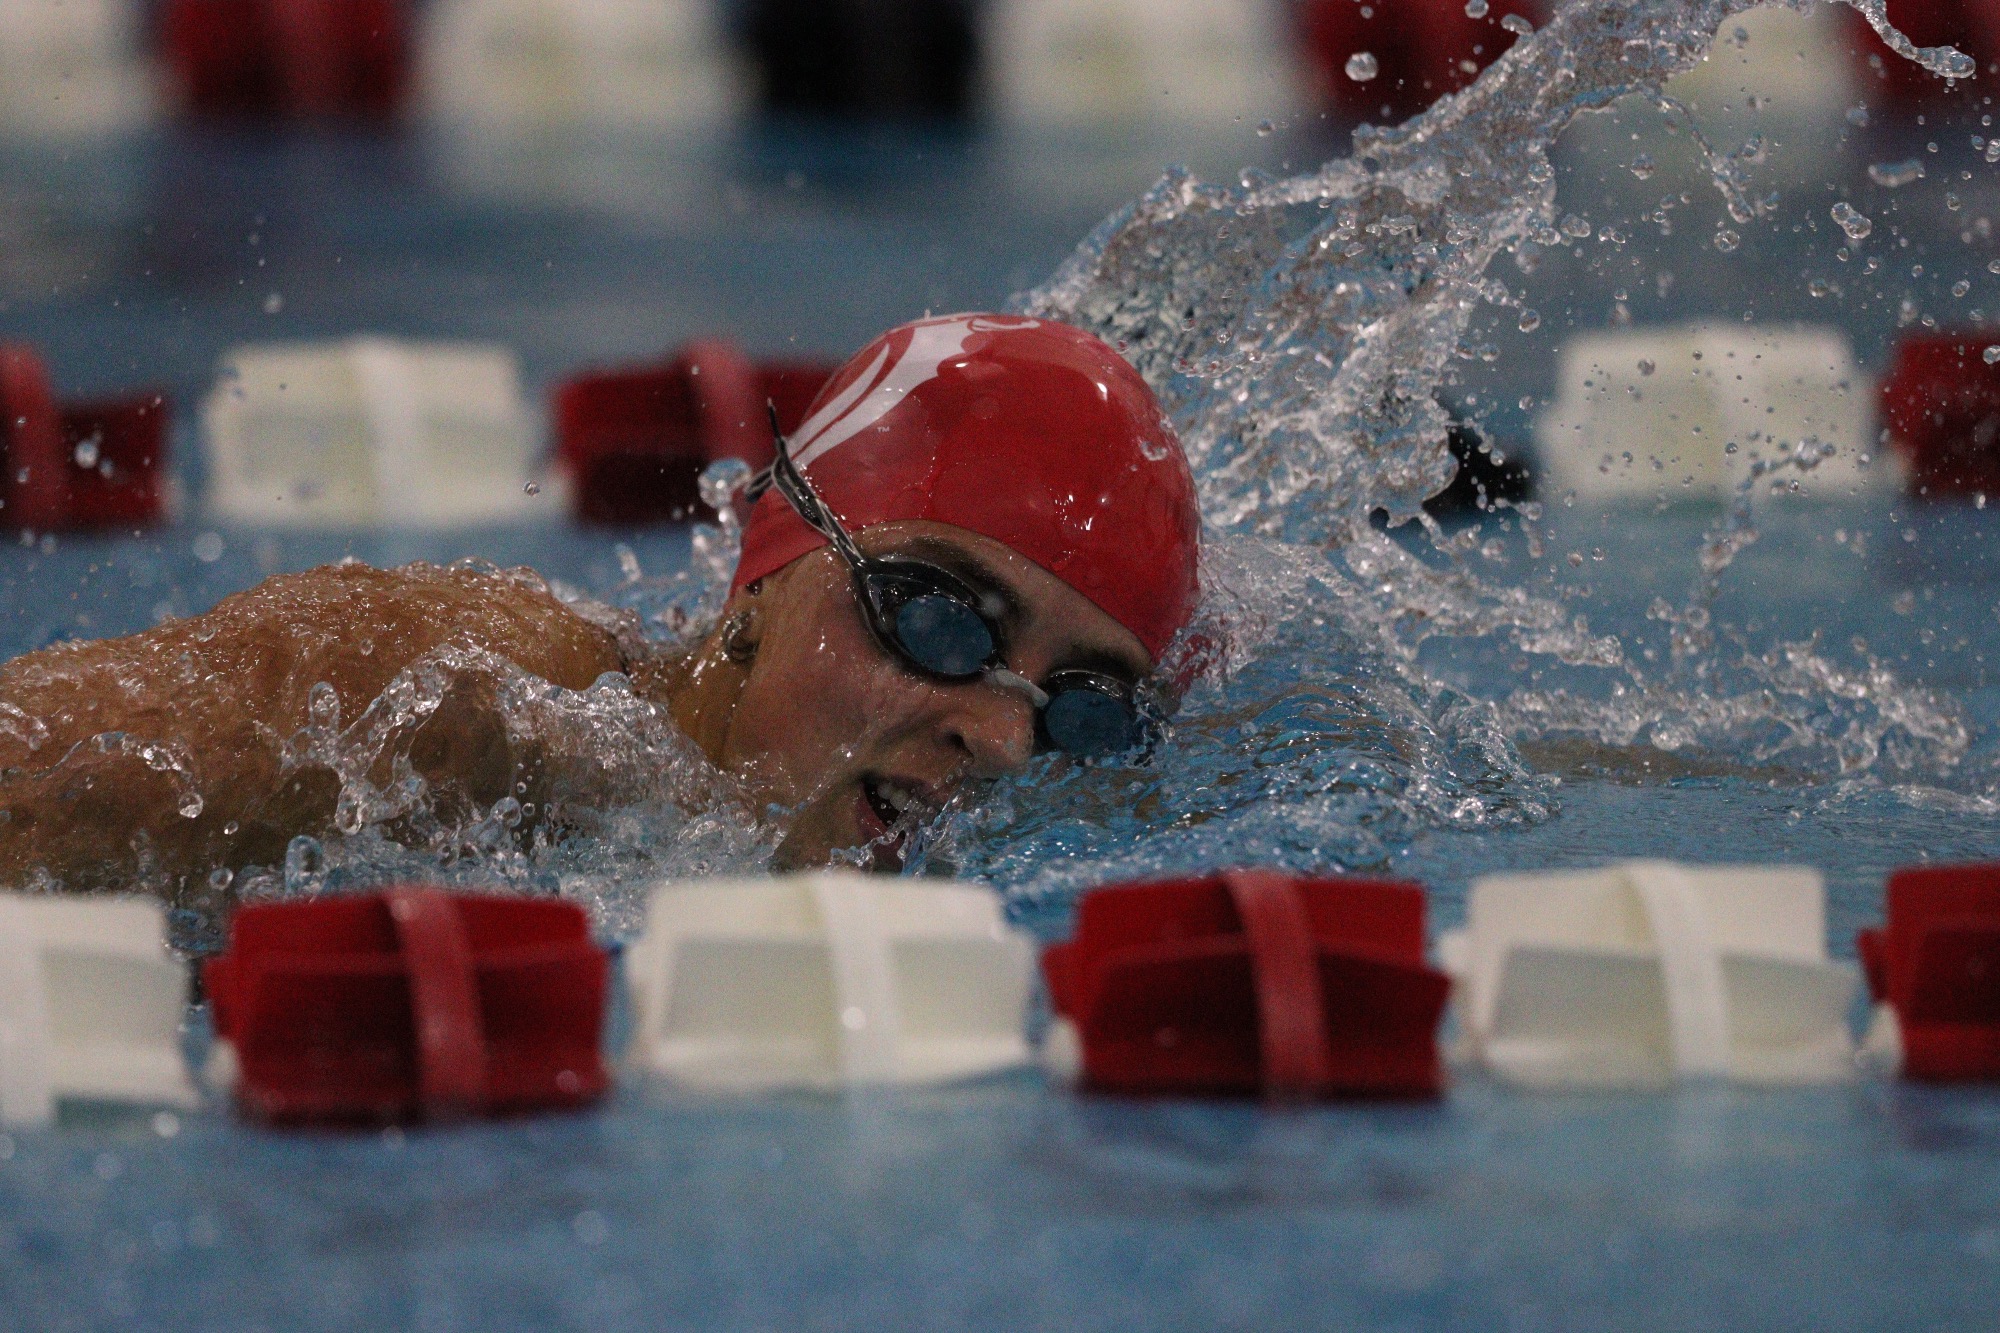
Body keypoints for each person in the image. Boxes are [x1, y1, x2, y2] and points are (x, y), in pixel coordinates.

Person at [0, 314, 1201, 895]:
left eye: (1079, 704)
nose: (999, 734)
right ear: (764, 576)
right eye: (944, 619)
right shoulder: (456, 693)